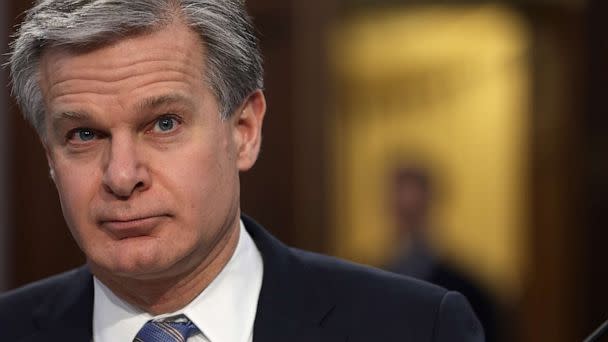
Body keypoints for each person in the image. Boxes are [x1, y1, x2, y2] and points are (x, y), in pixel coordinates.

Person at [0, 1, 484, 341]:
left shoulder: (416, 328)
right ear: (49, 155)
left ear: (245, 131)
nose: (122, 176)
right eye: (84, 135)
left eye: (163, 123)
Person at [385, 164, 501, 341]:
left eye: (415, 211)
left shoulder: (468, 290)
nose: (409, 225)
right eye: (403, 212)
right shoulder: (375, 282)